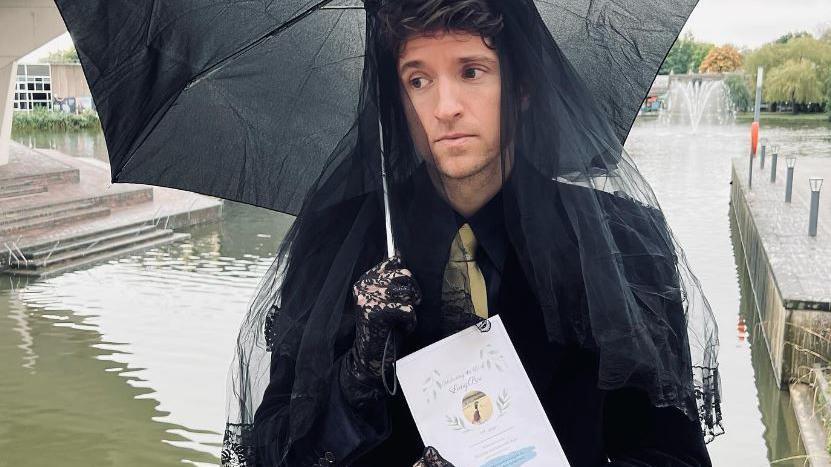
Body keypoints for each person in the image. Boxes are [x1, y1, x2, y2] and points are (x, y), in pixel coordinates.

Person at [222, 0, 723, 465]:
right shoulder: (333, 244)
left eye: (470, 71)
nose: (445, 107)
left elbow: (670, 452)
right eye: (418, 80)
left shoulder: (623, 240)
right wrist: (359, 369)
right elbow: (274, 452)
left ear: (521, 85)